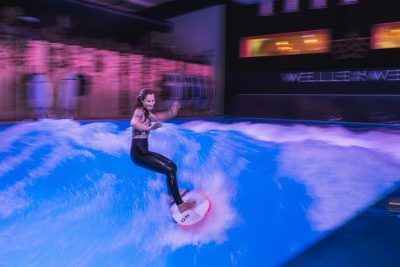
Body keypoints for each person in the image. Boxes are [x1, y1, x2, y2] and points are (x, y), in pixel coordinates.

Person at [130, 89, 195, 213]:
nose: (151, 103)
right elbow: (134, 122)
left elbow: (160, 117)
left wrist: (173, 111)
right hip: (139, 154)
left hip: (143, 152)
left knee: (172, 167)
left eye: (153, 100)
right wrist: (149, 127)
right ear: (142, 101)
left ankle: (172, 194)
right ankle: (181, 205)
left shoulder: (147, 113)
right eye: (148, 101)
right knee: (170, 170)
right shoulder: (139, 111)